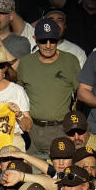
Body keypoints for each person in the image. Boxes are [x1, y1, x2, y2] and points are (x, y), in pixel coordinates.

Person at [16, 17, 81, 157]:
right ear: (35, 39)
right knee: (32, 176)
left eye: (52, 40)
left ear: (58, 39)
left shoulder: (70, 61)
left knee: (59, 175)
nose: (48, 45)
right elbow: (17, 95)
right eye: (43, 40)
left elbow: (80, 96)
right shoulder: (26, 63)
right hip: (31, 130)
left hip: (61, 129)